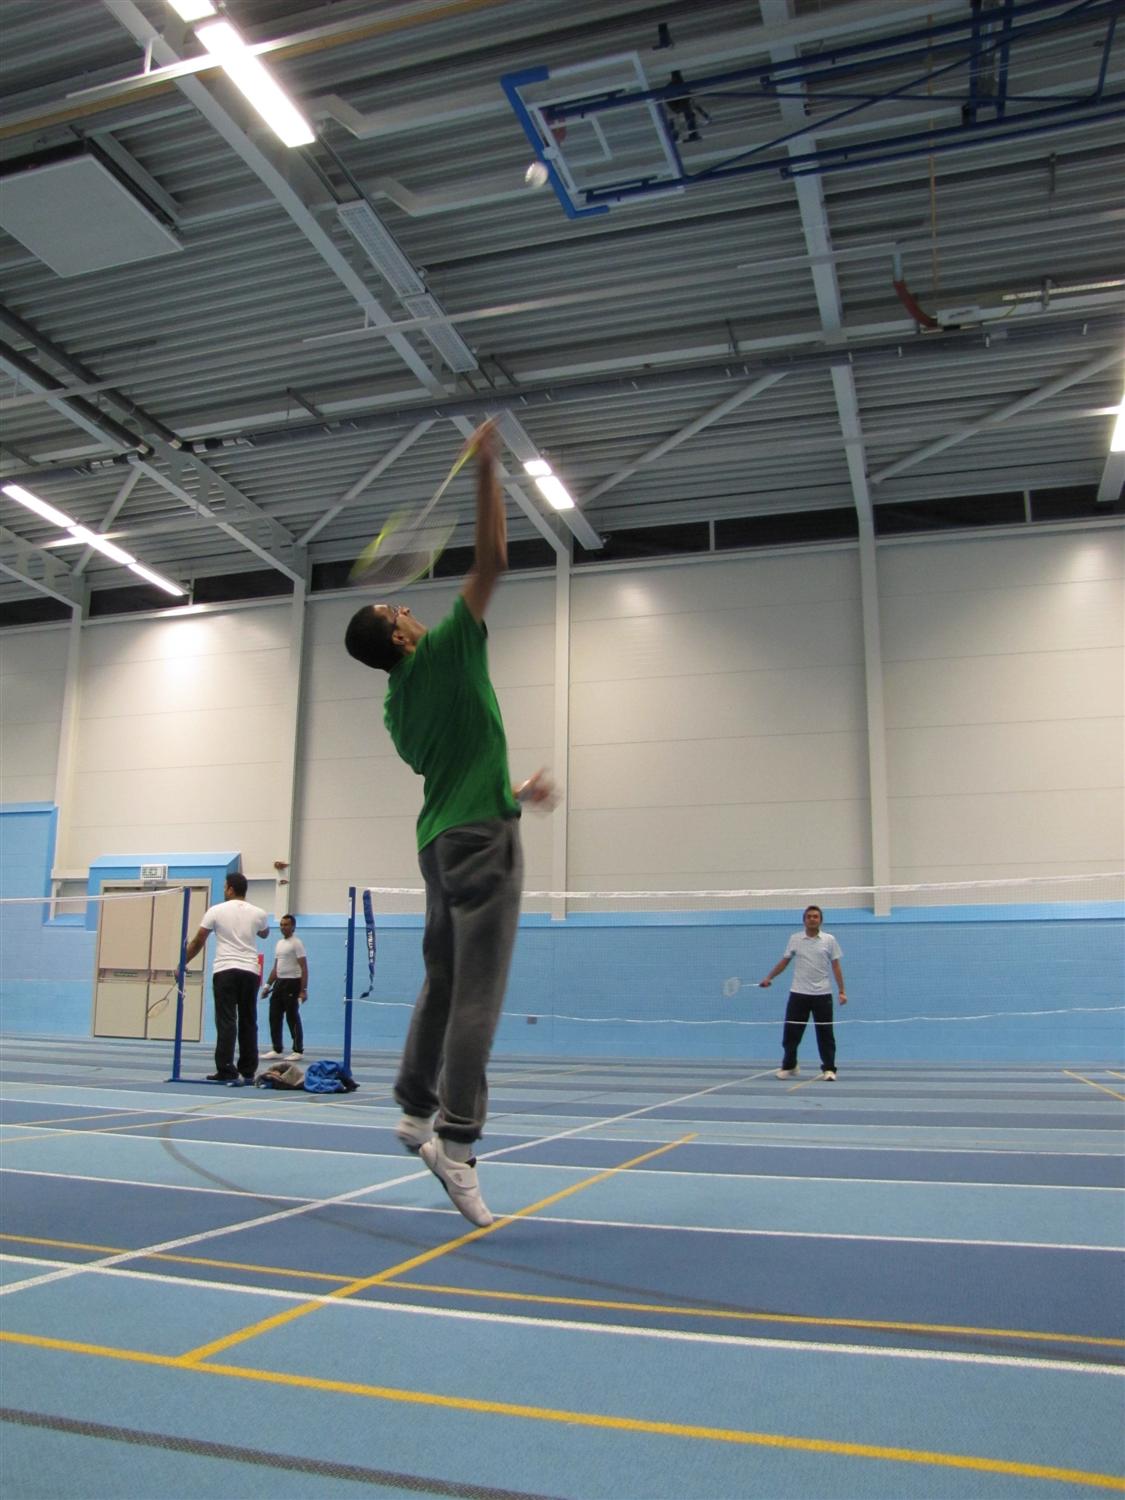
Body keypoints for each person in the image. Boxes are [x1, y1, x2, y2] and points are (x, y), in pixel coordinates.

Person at [344, 420, 554, 1228]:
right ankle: (457, 1147)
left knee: (439, 980)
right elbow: (493, 560)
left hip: (438, 843)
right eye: (401, 607)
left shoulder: (397, 707)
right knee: (478, 997)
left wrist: (512, 788)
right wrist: (489, 470)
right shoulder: (449, 652)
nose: (412, 609)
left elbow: (455, 764)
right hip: (481, 843)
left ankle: (409, 1107)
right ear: (400, 635)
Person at [183, 872, 270, 1084]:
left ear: (230, 889)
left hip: (225, 970)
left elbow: (198, 941)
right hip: (250, 971)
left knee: (227, 1020)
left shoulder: (215, 911)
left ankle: (226, 1068)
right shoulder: (259, 913)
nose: (224, 890)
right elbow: (264, 933)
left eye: (225, 887)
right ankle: (248, 1070)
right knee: (249, 1020)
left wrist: (182, 961)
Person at [760, 904, 847, 1081]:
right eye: (809, 916)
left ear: (820, 920)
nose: (812, 919)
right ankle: (790, 1065)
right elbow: (784, 961)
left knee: (825, 1034)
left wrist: (842, 991)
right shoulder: (795, 939)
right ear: (804, 920)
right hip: (798, 994)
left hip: (823, 995)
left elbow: (836, 966)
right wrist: (769, 977)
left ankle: (829, 1069)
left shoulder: (829, 940)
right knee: (791, 1033)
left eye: (815, 916)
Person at [261, 913, 308, 1061]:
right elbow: (276, 967)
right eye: (281, 925)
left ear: (293, 926)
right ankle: (277, 1048)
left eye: (286, 925)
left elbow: (304, 967)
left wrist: (303, 990)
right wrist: (267, 985)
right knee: (274, 1016)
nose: (283, 927)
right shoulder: (279, 944)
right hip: (279, 983)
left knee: (292, 1016)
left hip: (292, 983)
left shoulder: (297, 943)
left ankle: (298, 1050)